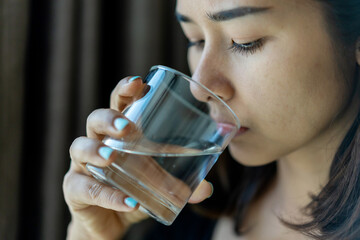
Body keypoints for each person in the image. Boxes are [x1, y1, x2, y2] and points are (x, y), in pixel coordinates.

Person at [63, 0, 360, 239]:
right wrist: (90, 235)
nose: (199, 84)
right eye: (195, 40)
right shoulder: (196, 207)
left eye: (245, 41)